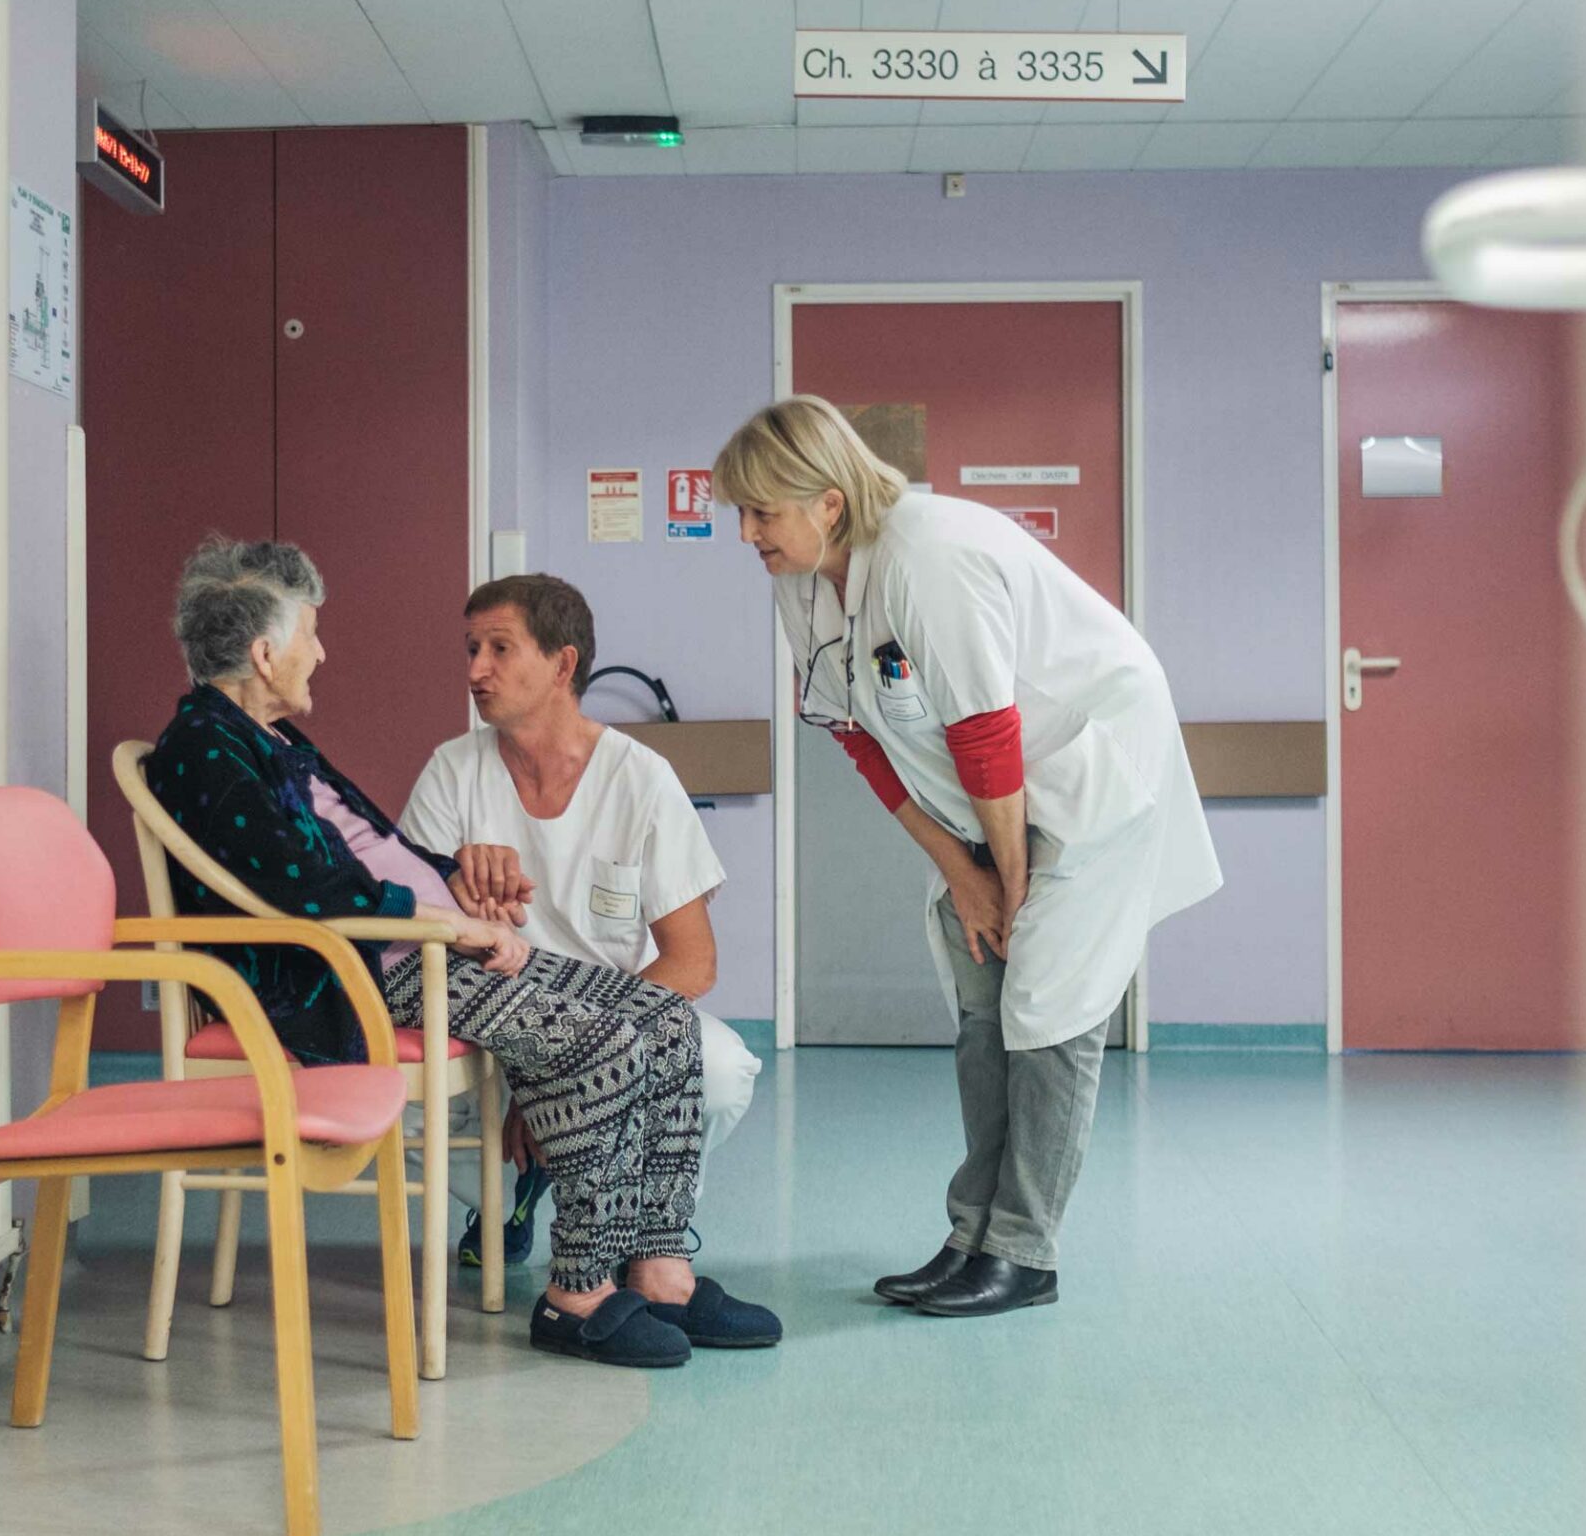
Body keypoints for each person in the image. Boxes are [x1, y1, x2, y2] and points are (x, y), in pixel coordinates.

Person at [145, 536, 780, 1365]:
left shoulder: (270, 743)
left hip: (421, 950)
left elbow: (375, 850)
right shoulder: (206, 750)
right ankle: (577, 1292)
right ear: (265, 655)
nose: (322, 651)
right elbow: (307, 888)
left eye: (498, 648)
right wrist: (448, 922)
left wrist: (459, 883)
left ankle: (661, 1272)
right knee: (603, 1043)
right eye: (311, 634)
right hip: (366, 969)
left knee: (661, 1019)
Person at [714, 397, 1221, 1318]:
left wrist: (1011, 887)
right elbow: (855, 735)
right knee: (984, 1000)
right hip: (989, 801)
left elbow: (989, 734)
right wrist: (964, 874)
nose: (744, 532)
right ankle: (972, 1233)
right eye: (739, 513)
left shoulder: (928, 554)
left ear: (827, 501)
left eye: (760, 512)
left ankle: (1026, 1253)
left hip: (1086, 772)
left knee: (1046, 1005)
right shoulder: (801, 576)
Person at [399, 574, 761, 1269]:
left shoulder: (640, 779)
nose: (476, 670)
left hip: (613, 1029)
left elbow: (693, 962)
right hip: (491, 1033)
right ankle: (502, 1205)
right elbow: (412, 945)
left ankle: (641, 1230)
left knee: (718, 1070)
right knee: (401, 1094)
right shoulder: (452, 772)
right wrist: (535, 1067)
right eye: (471, 648)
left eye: (499, 648)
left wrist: (570, 1066)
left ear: (563, 664)